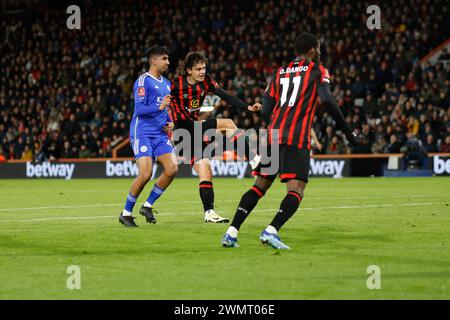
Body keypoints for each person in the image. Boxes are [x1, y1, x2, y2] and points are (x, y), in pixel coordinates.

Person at [222, 33, 357, 249]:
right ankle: (271, 231)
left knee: (260, 186)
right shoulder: (317, 70)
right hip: (296, 137)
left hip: (273, 135)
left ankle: (231, 232)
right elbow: (328, 100)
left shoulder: (279, 73)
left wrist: (276, 126)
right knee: (296, 189)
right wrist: (348, 132)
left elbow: (266, 109)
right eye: (319, 48)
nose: (320, 52)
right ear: (313, 49)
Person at [169, 51, 261, 223]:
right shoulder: (175, 85)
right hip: (182, 134)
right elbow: (161, 103)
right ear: (189, 70)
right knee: (227, 123)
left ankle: (209, 213)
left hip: (195, 130)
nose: (202, 71)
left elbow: (226, 96)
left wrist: (248, 107)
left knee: (205, 171)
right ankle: (254, 159)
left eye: (204, 68)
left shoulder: (207, 81)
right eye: (198, 69)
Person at [119, 46, 178, 227]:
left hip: (160, 134)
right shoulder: (143, 81)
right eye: (165, 59)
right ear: (154, 61)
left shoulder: (167, 83)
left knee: (172, 169)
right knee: (145, 174)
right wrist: (159, 108)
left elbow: (166, 109)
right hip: (142, 132)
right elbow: (140, 110)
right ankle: (126, 213)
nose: (168, 62)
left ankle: (147, 205)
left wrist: (170, 121)